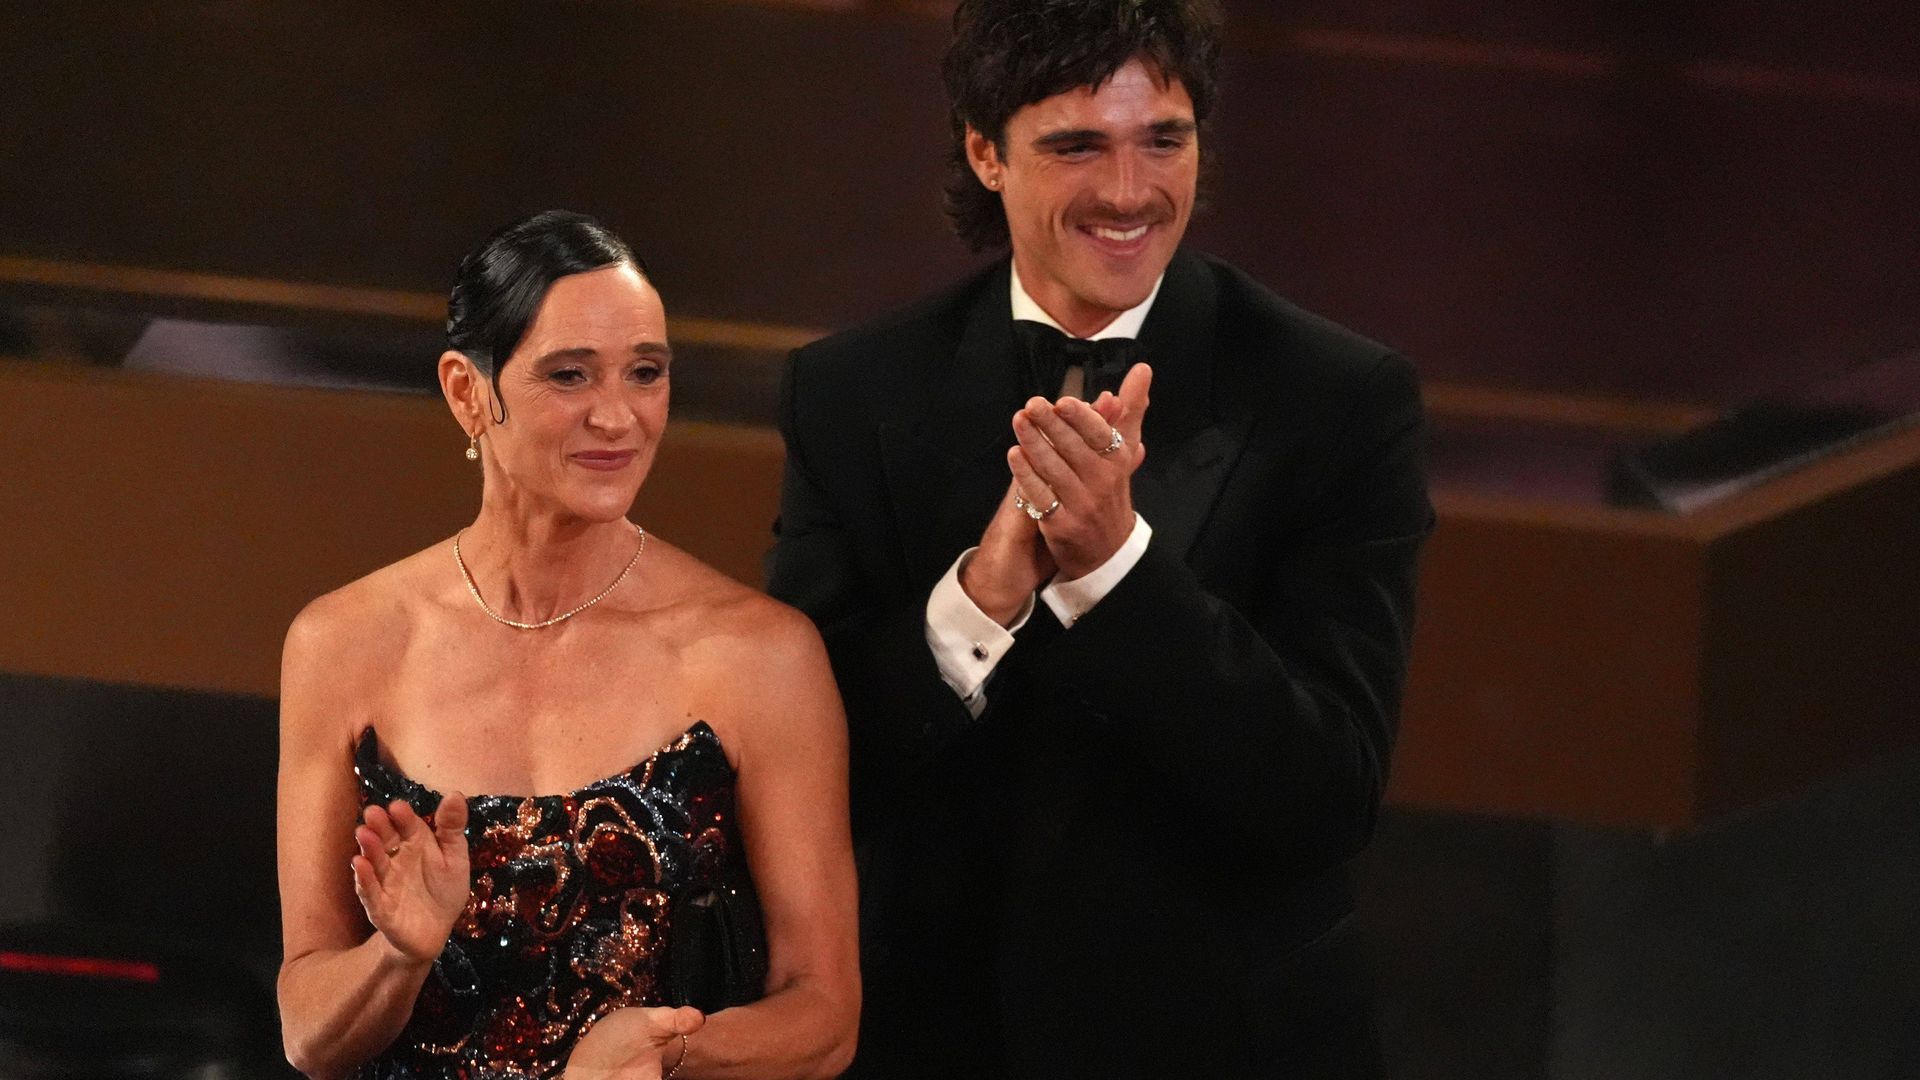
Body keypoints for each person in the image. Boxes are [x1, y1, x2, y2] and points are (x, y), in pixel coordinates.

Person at [766, 2, 1433, 1076]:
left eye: (1162, 138)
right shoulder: (853, 395)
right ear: (986, 152)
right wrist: (978, 601)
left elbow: (1325, 794)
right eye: (1077, 144)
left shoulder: (1337, 400)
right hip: (932, 1040)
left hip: (1226, 1047)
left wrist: (1119, 572)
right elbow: (808, 773)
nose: (1130, 192)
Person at [276, 211, 859, 1080]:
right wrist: (396, 956)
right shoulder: (344, 643)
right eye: (570, 375)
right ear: (468, 392)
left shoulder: (757, 655)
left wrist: (665, 1052)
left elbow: (824, 1016)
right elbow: (309, 1038)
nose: (619, 417)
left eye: (646, 373)